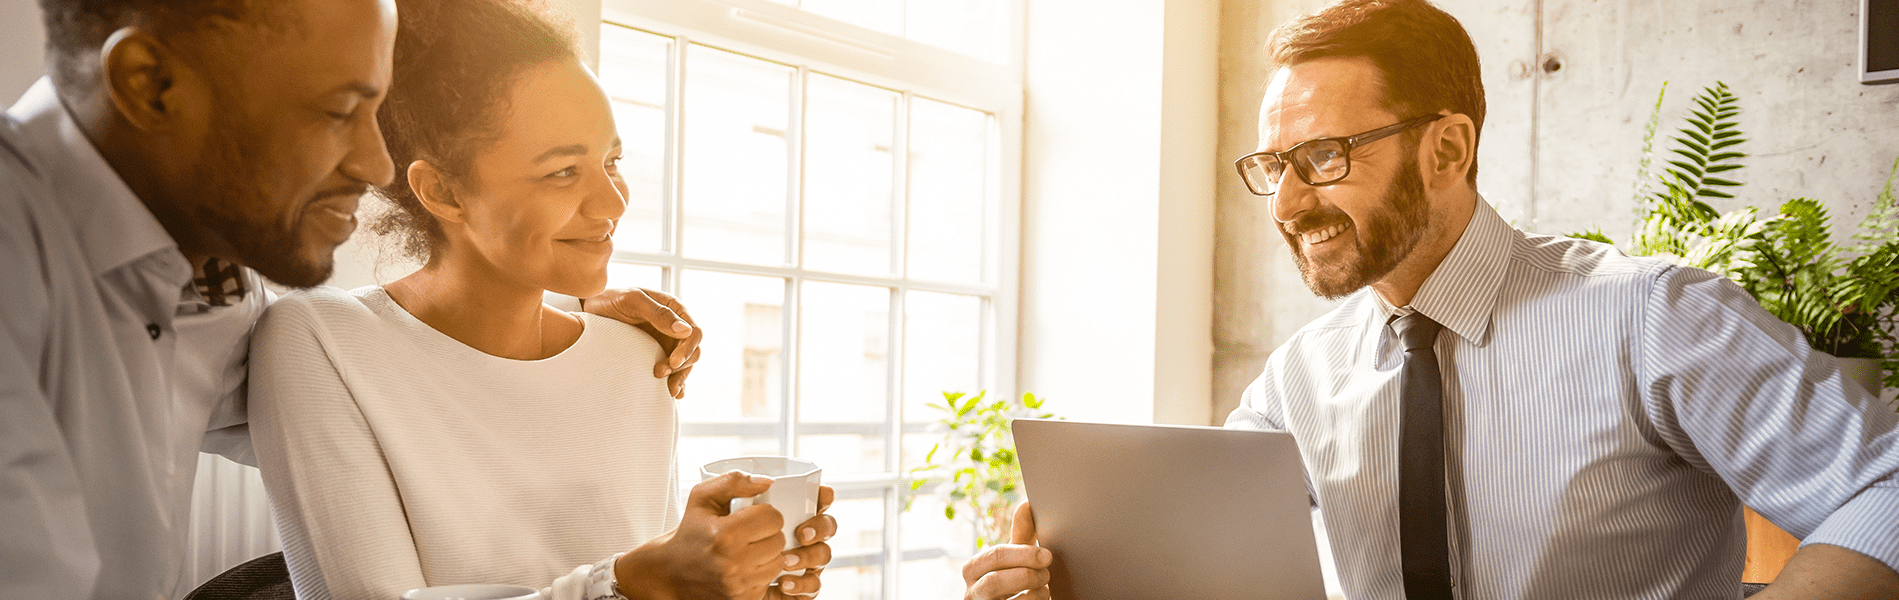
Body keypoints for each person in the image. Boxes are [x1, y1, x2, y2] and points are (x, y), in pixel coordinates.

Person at [961, 1, 1899, 599]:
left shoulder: (1651, 318)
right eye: (1273, 168)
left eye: (1324, 159)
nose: (1289, 205)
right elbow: (1206, 567)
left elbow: (1883, 486)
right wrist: (1066, 585)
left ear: (1446, 150)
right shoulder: (1301, 377)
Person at [0, 0, 701, 597]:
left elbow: (403, 377)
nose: (374, 162)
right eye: (335, 111)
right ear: (150, 84)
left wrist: (564, 322)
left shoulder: (219, 298)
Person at [245, 1, 835, 599]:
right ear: (443, 190)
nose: (612, 204)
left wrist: (727, 585)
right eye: (562, 172)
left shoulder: (638, 357)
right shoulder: (319, 340)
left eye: (612, 162)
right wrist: (631, 583)